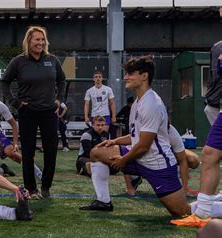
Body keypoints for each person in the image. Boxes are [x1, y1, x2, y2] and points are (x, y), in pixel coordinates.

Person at [79, 56, 190, 217]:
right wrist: (115, 141)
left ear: (144, 76)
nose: (125, 77)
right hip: (138, 156)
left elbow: (144, 146)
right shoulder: (138, 101)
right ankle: (104, 201)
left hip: (157, 165)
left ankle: (215, 202)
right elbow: (135, 137)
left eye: (130, 73)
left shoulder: (151, 104)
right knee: (97, 152)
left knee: (183, 212)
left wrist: (123, 160)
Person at [2, 26, 66, 199]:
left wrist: (59, 98)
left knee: (51, 151)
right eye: (36, 39)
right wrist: (15, 103)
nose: (40, 42)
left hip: (49, 112)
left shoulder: (52, 60)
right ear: (28, 41)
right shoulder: (18, 61)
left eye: (42, 39)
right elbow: (5, 82)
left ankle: (45, 187)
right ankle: (30, 188)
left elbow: (62, 80)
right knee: (28, 152)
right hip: (27, 112)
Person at [170, 42, 222, 227]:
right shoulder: (217, 46)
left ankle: (203, 211)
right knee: (210, 154)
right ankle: (202, 213)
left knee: (211, 155)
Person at [203, 40, 221, 125]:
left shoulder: (216, 47)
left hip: (213, 103)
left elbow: (213, 77)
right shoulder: (218, 47)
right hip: (215, 104)